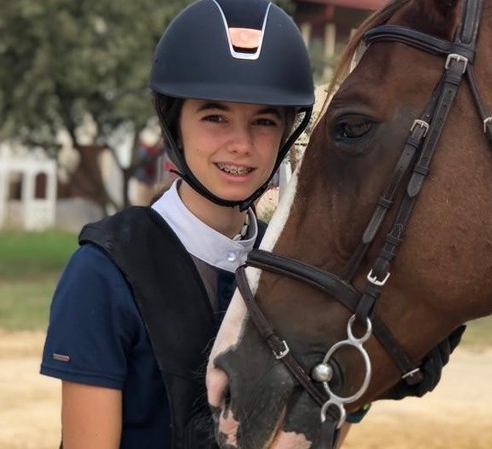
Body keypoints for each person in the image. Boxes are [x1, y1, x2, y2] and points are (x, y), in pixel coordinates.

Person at [39, 0, 315, 448]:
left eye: (263, 121)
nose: (241, 144)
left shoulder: (290, 268)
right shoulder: (104, 272)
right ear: (175, 125)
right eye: (215, 117)